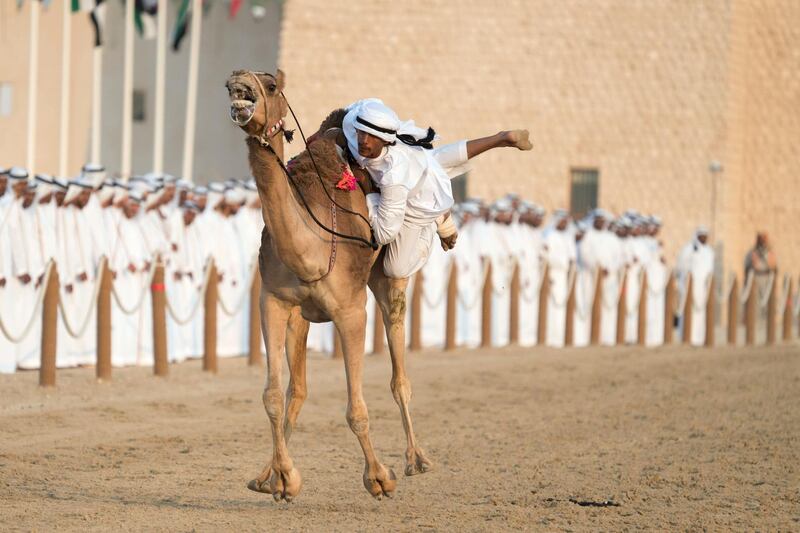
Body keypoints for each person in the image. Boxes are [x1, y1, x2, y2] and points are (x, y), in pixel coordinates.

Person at [335, 98, 531, 280]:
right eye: (361, 132)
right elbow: (370, 103)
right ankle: (500, 138)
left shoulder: (393, 177)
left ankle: (434, 220)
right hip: (420, 161)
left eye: (371, 136)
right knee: (436, 159)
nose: (363, 140)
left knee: (394, 270)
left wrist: (367, 191)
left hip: (418, 198)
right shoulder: (355, 129)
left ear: (385, 140)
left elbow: (385, 233)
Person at [542, 210, 576, 347]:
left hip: (565, 276)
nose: (564, 223)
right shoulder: (550, 236)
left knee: (561, 308)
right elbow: (547, 257)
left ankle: (559, 338)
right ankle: (551, 339)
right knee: (552, 307)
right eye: (562, 221)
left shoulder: (567, 237)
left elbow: (572, 256)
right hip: (553, 274)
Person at [676, 226, 714, 346]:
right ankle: (686, 337)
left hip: (703, 287)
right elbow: (681, 266)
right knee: (688, 311)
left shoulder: (709, 251)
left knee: (701, 313)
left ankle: (699, 337)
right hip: (689, 286)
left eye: (705, 235)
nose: (704, 237)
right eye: (702, 235)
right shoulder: (689, 249)